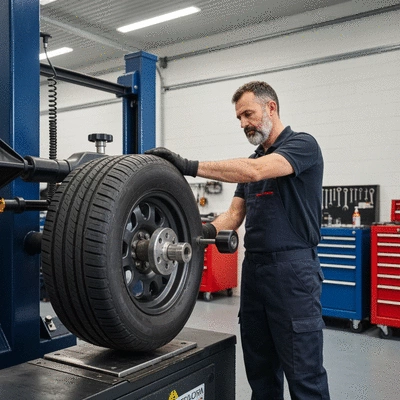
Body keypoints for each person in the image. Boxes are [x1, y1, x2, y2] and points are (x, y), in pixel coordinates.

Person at [145, 81, 330, 400]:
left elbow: (256, 171)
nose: (244, 123)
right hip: (256, 275)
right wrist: (190, 236)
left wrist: (188, 166)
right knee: (261, 373)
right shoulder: (252, 160)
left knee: (305, 377)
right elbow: (232, 216)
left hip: (294, 275)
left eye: (248, 114)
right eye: (239, 118)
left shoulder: (302, 146)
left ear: (271, 108)